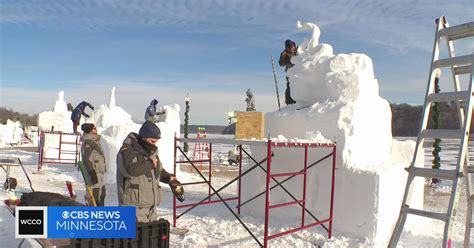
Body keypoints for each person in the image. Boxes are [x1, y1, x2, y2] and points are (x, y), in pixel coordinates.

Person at [116, 121, 184, 223]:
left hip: (151, 210)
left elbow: (158, 170)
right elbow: (129, 170)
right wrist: (150, 163)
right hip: (133, 210)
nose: (154, 145)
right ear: (143, 137)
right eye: (152, 141)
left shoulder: (150, 152)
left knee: (151, 238)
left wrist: (170, 179)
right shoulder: (127, 150)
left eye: (156, 142)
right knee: (136, 239)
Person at [81, 123, 106, 206]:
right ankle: (93, 216)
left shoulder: (94, 141)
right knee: (94, 199)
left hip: (99, 174)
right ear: (90, 130)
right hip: (94, 174)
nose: (96, 129)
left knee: (101, 195)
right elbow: (87, 160)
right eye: (95, 128)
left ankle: (100, 215)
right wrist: (92, 173)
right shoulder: (89, 142)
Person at [279, 39, 297, 105]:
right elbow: (281, 64)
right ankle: (289, 101)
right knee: (290, 85)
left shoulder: (298, 50)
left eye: (292, 47)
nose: (291, 49)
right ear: (287, 48)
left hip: (299, 70)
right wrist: (284, 58)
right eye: (289, 48)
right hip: (290, 72)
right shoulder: (284, 53)